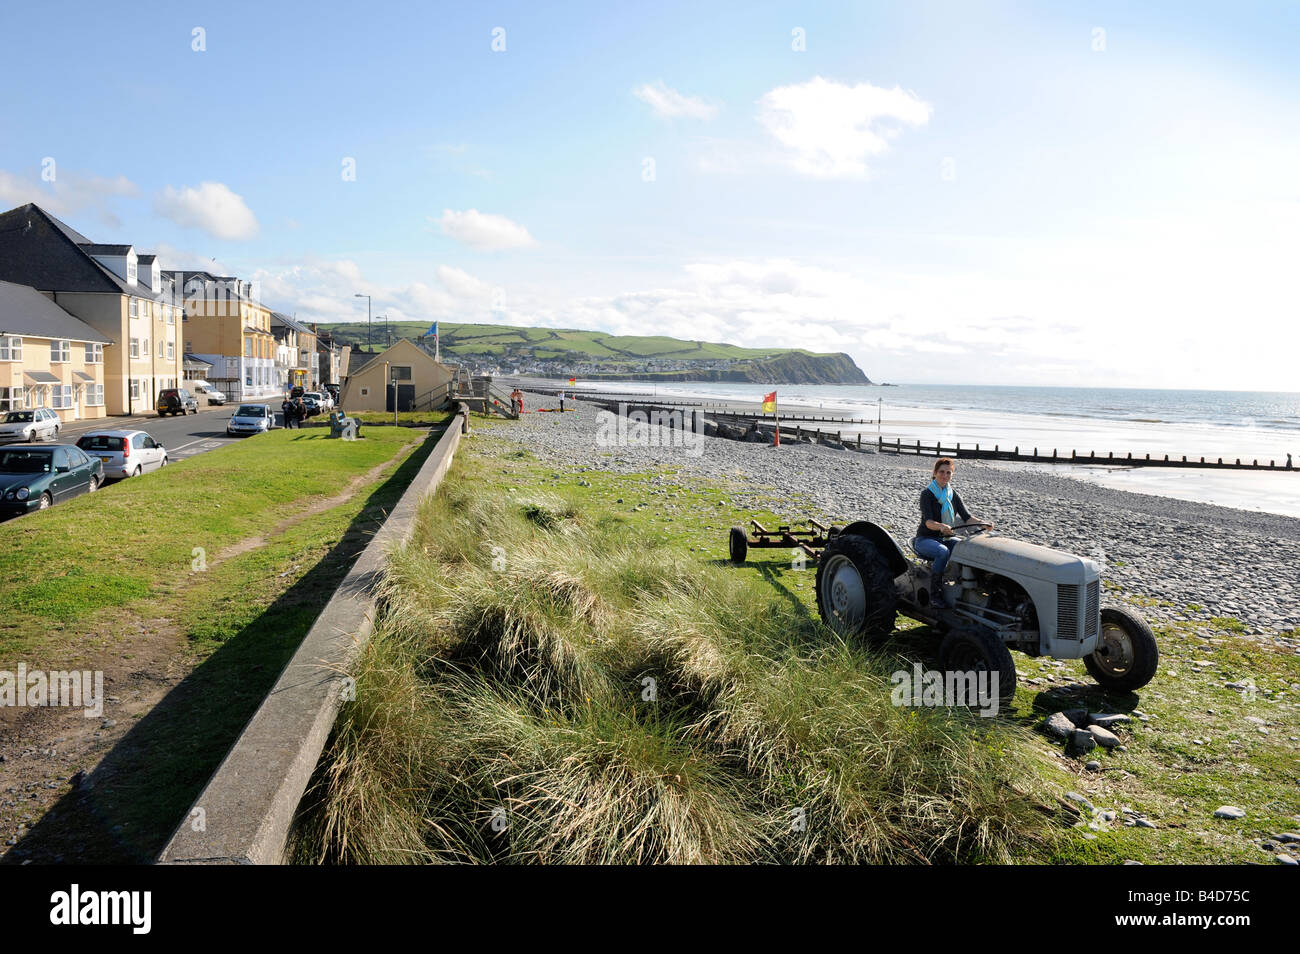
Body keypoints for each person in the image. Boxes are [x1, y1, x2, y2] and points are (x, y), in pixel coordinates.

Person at [913, 457, 994, 599]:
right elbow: (928, 522)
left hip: (945, 538)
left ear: (952, 475)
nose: (945, 476)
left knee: (967, 547)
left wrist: (982, 523)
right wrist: (941, 527)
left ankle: (966, 586)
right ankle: (935, 593)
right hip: (925, 539)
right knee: (942, 552)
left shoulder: (953, 495)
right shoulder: (927, 494)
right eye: (942, 472)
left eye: (948, 473)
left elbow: (967, 517)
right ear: (935, 473)